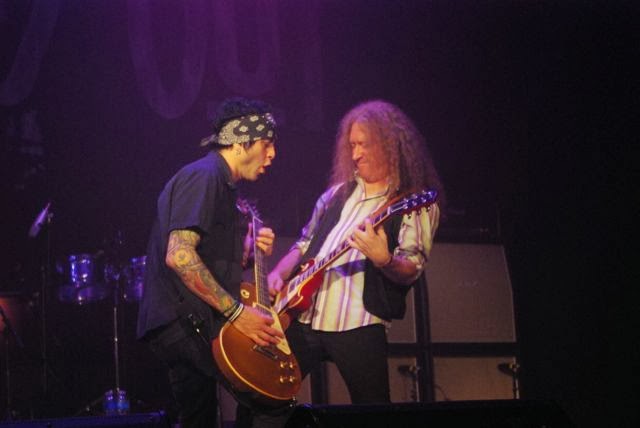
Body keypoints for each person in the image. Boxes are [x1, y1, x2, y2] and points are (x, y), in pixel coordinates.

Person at [268, 99, 443, 407]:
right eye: (352, 145)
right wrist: (279, 272)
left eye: (364, 145)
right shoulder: (335, 196)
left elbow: (412, 266)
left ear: (390, 146)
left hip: (358, 323)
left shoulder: (412, 204)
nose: (355, 154)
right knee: (265, 396)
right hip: (303, 316)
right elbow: (304, 244)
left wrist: (385, 260)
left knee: (371, 409)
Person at [136, 97, 285, 428]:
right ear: (241, 142)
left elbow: (205, 260)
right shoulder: (204, 177)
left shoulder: (222, 186)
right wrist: (237, 313)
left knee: (223, 410)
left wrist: (247, 253)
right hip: (183, 322)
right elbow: (179, 255)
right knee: (255, 402)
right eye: (267, 144)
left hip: (194, 320)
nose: (273, 154)